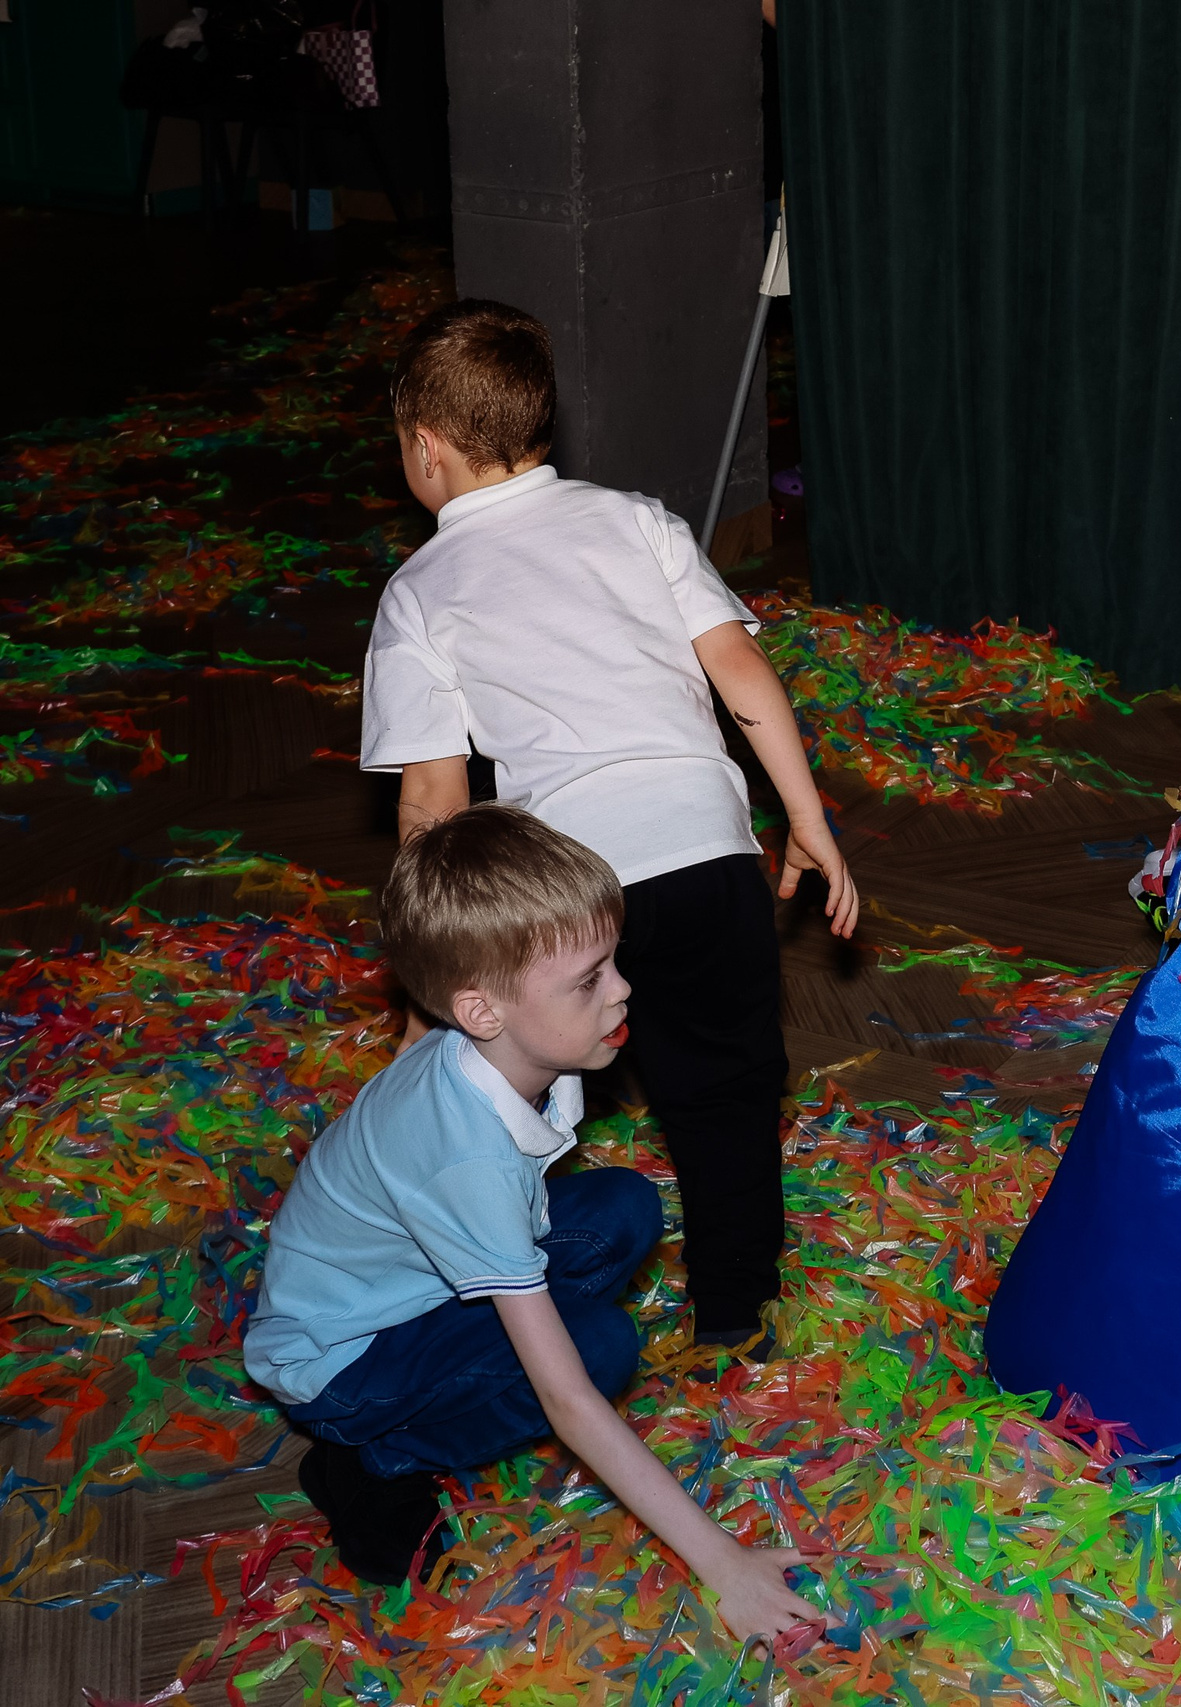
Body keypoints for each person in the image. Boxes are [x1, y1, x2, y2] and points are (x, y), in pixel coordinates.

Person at [360, 299, 857, 1354]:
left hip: (568, 896)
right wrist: (807, 818)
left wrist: (432, 970)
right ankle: (735, 1316)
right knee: (725, 1093)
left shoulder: (417, 591)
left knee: (510, 1097)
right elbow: (738, 668)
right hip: (713, 858)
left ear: (426, 448)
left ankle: (516, 1307)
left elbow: (434, 802)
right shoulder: (638, 519)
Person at [244, 806, 825, 1636]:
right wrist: (723, 1563)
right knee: (597, 1350)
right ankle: (373, 1460)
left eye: (613, 959)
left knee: (624, 1205)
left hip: (406, 1284)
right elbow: (569, 1401)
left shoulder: (511, 1050)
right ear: (482, 1010)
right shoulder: (466, 1158)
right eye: (588, 980)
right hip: (341, 1358)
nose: (621, 988)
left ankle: (462, 1371)